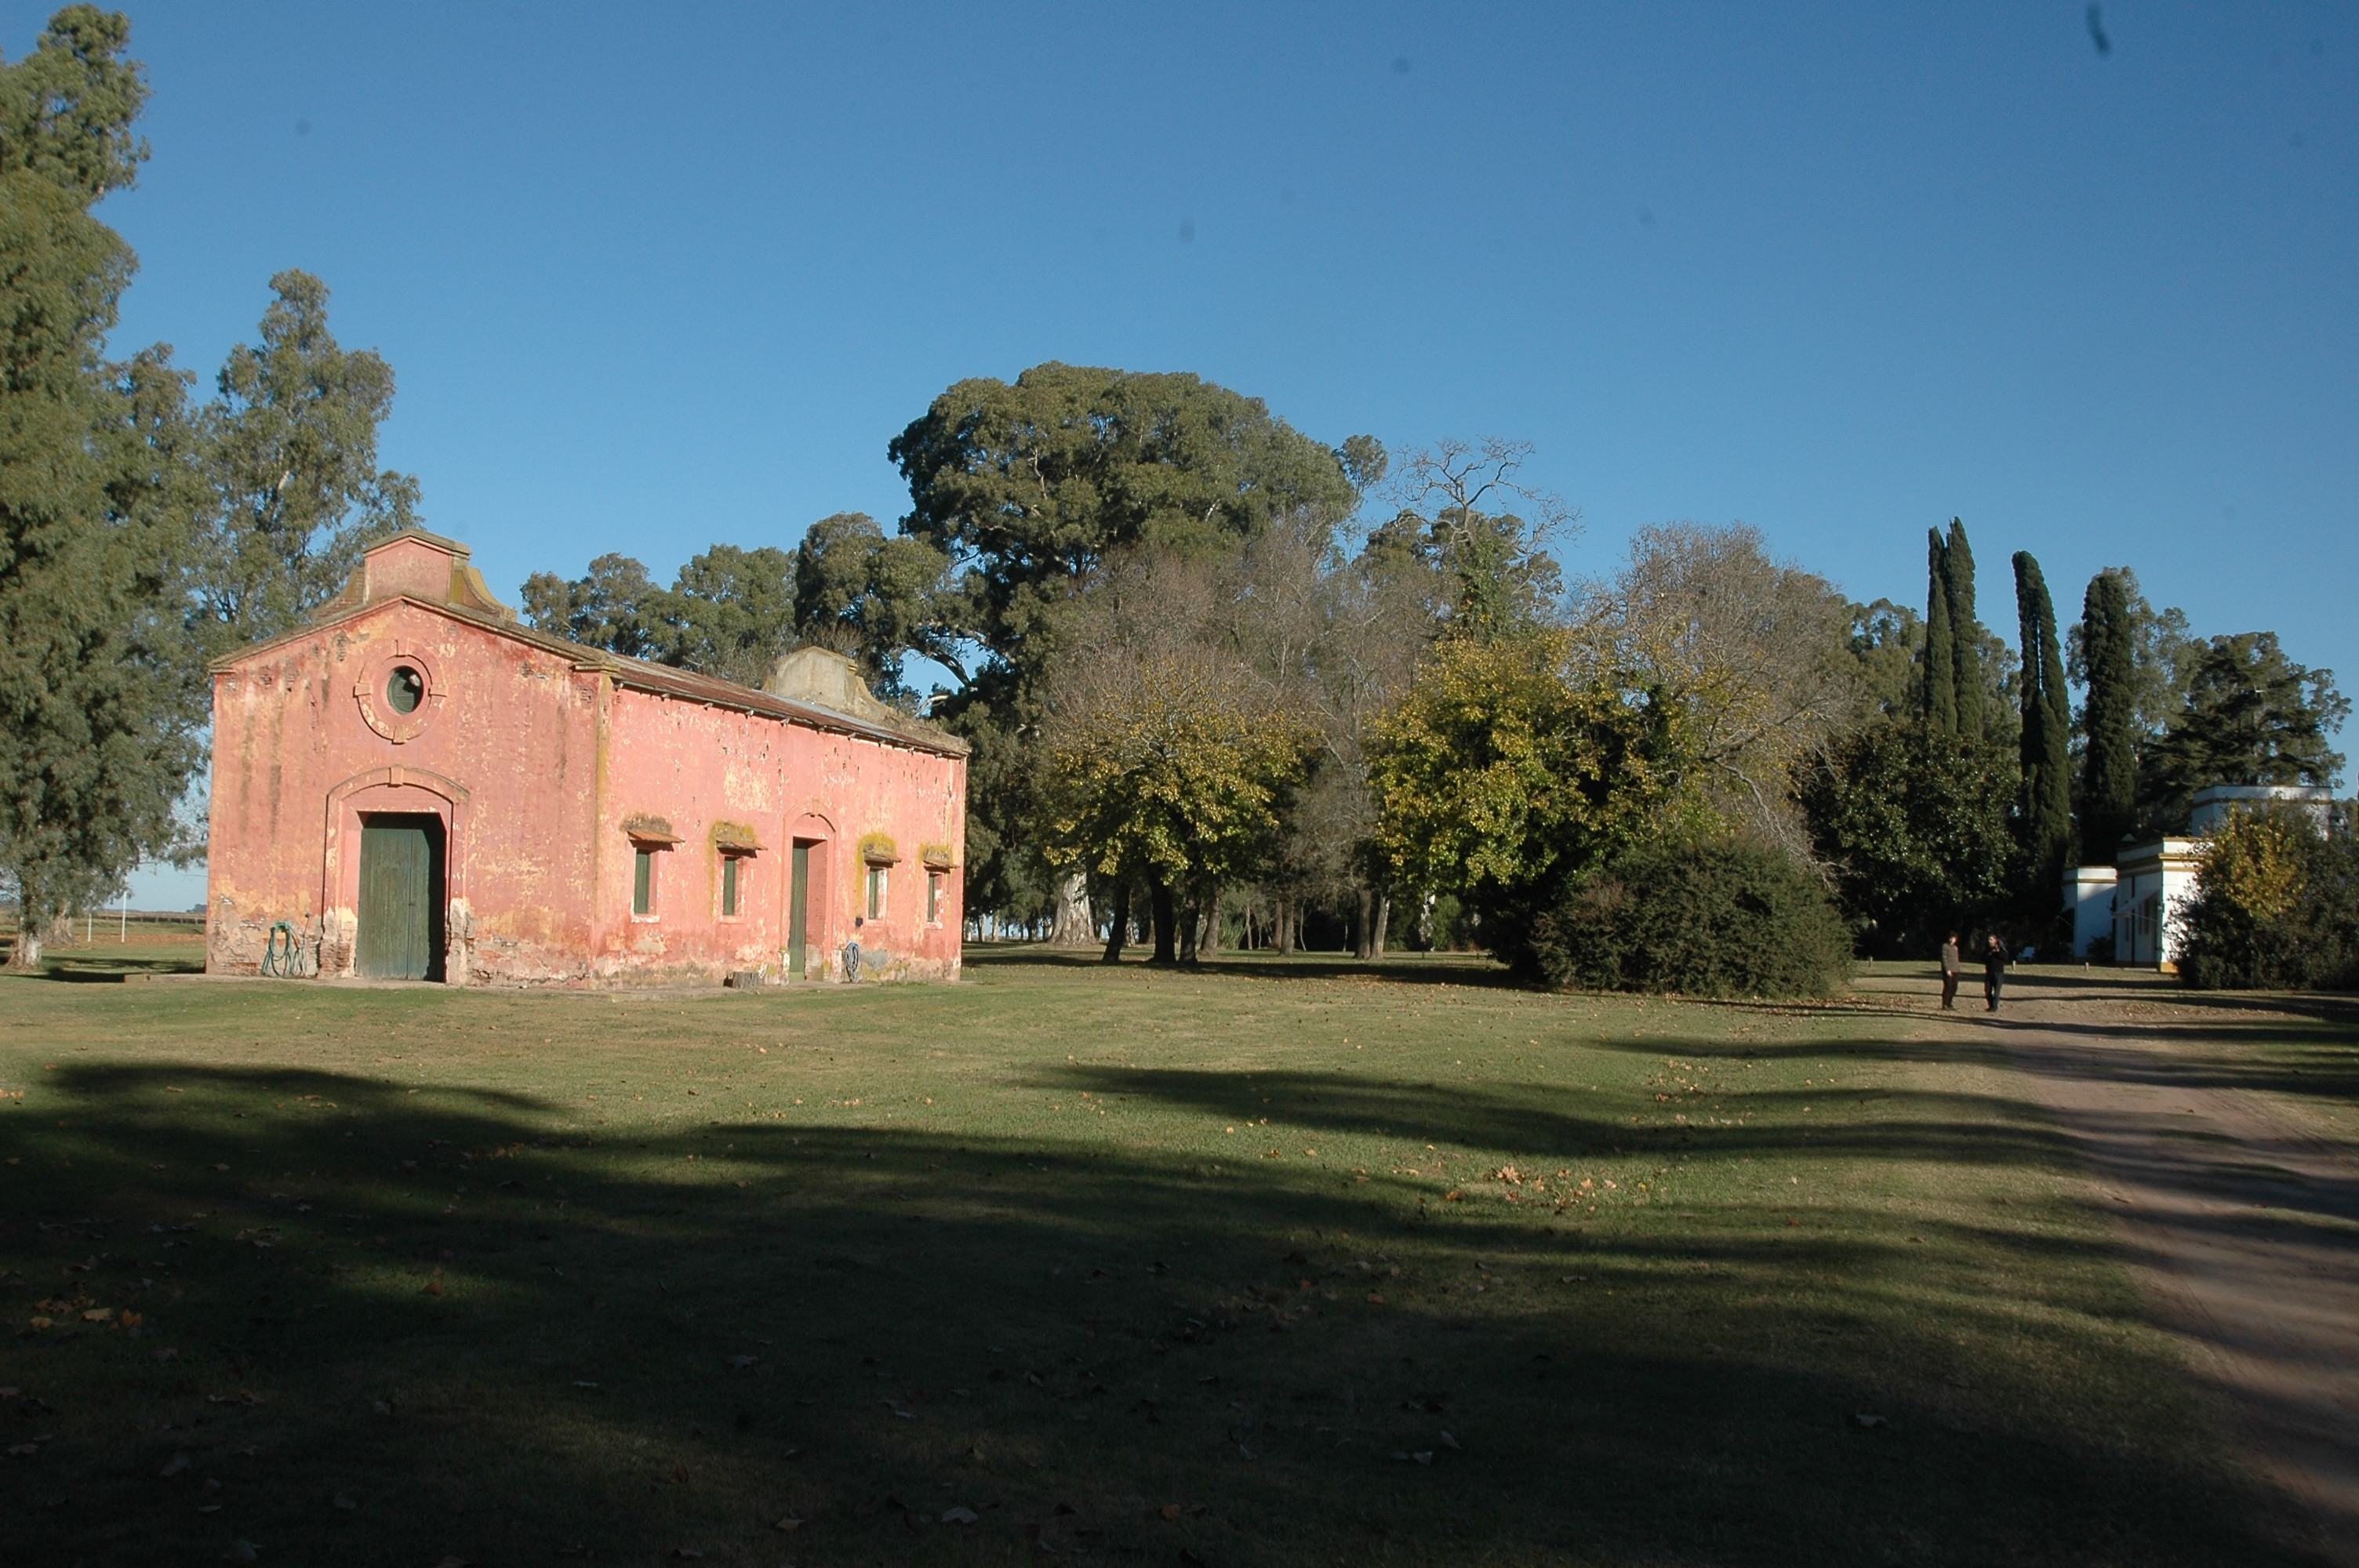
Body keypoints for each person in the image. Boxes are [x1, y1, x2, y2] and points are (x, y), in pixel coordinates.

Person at [1982, 933, 2009, 1012]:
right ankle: (1991, 1005)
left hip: (1998, 972)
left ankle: (1994, 1006)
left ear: (1995, 940)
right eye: (1989, 940)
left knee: (1997, 991)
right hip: (1989, 972)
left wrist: (1998, 952)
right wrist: (1989, 953)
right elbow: (1982, 958)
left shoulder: (2001, 948)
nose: (1989, 941)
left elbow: (2006, 957)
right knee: (1987, 990)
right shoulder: (1987, 949)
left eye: (1991, 940)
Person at [1939, 932, 1962, 1011]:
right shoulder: (1945, 946)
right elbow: (1944, 958)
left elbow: (1956, 960)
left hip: (1956, 970)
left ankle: (1949, 1003)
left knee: (1954, 987)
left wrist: (1958, 969)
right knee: (1948, 987)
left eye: (1953, 938)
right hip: (1948, 970)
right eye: (1951, 938)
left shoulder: (1955, 948)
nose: (1952, 940)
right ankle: (1945, 1004)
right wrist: (1947, 969)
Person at [842, 916, 864, 982]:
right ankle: (852, 976)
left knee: (855, 959)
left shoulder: (856, 932)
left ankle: (854, 976)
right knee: (850, 959)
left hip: (854, 944)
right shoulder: (849, 929)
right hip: (850, 944)